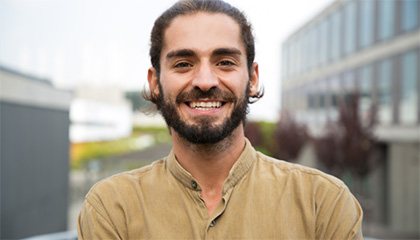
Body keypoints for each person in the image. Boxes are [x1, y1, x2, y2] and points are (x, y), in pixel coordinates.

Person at [77, 0, 363, 239]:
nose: (204, 81)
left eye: (225, 62)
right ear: (154, 82)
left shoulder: (323, 203)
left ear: (252, 78)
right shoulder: (111, 209)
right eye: (183, 64)